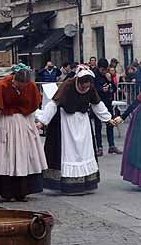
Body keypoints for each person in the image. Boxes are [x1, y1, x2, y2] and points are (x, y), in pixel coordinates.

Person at [38, 65, 113, 195]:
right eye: (84, 85)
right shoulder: (68, 85)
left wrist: (108, 119)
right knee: (69, 151)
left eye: (88, 85)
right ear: (78, 81)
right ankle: (68, 184)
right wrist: (43, 121)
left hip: (82, 122)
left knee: (84, 151)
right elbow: (53, 103)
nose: (86, 88)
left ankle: (85, 182)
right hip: (67, 121)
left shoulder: (90, 87)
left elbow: (97, 104)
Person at [0, 65, 47, 202]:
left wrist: (41, 121)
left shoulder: (31, 86)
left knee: (24, 156)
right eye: (20, 85)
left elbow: (34, 107)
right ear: (14, 80)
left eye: (25, 85)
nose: (22, 88)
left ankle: (23, 191)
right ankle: (7, 191)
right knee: (8, 156)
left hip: (25, 123)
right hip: (6, 123)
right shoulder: (3, 85)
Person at [91, 59, 119, 155]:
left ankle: (111, 146)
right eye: (102, 70)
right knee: (98, 125)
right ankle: (99, 147)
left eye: (105, 70)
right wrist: (102, 89)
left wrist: (110, 81)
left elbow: (114, 88)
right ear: (99, 68)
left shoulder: (108, 75)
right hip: (97, 103)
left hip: (107, 102)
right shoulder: (94, 75)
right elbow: (92, 88)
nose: (104, 72)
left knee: (110, 123)